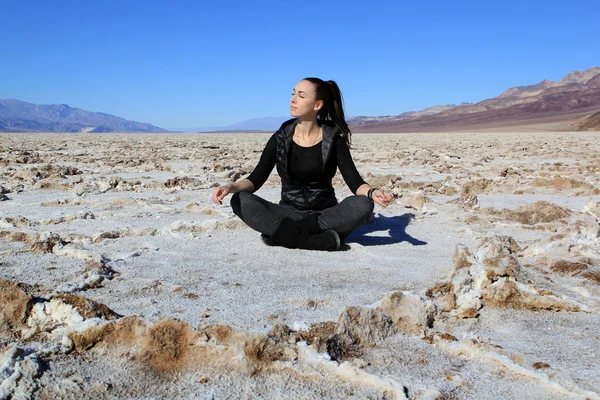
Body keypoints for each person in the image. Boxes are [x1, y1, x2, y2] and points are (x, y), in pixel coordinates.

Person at [211, 78, 393, 251]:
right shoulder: (280, 138)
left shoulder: (333, 140)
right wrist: (230, 186)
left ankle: (281, 235)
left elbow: (355, 183)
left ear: (317, 105)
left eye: (301, 95)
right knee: (241, 200)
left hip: (324, 215)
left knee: (363, 204)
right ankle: (320, 240)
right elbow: (255, 179)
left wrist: (372, 193)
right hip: (288, 212)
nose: (293, 100)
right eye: (293, 94)